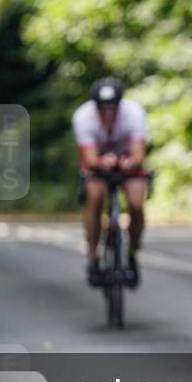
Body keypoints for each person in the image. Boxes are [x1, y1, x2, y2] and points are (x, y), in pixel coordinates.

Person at [72, 77, 148, 288]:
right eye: (103, 108)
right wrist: (101, 163)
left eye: (112, 108)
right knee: (95, 199)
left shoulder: (134, 113)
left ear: (119, 105)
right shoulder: (83, 116)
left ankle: (132, 255)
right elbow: (90, 159)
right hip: (97, 162)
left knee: (136, 205)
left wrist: (130, 163)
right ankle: (93, 258)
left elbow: (138, 154)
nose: (108, 113)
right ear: (95, 106)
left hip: (127, 161)